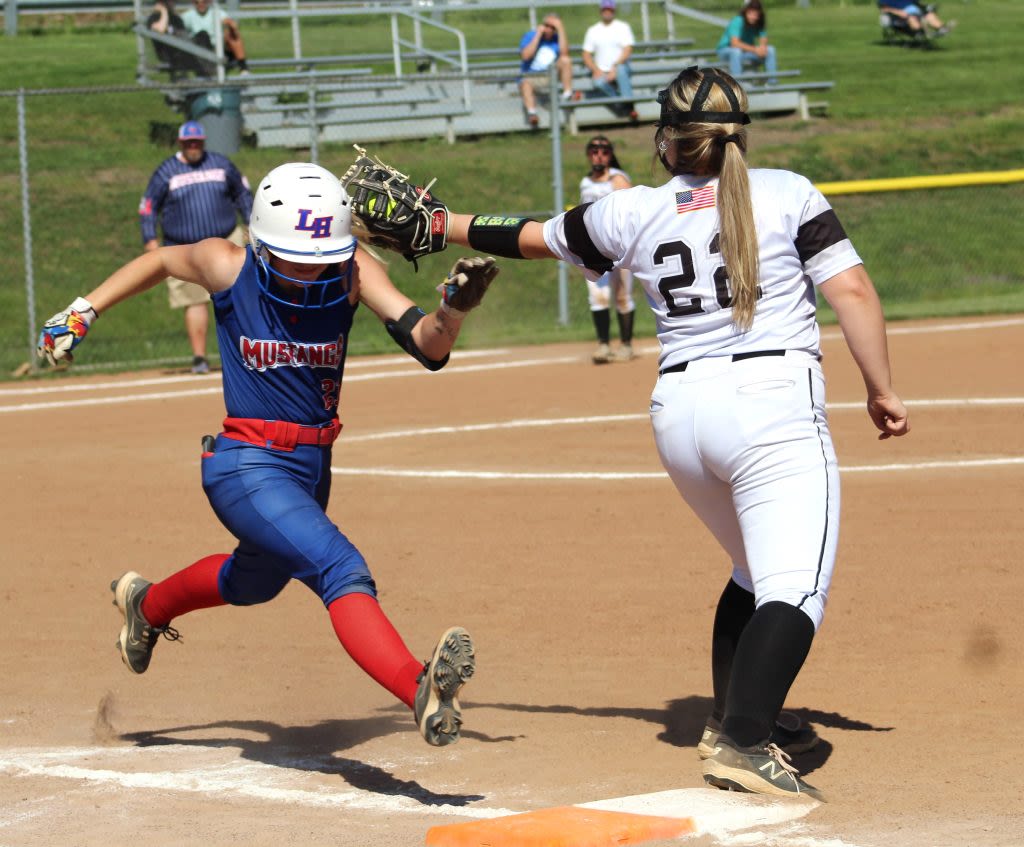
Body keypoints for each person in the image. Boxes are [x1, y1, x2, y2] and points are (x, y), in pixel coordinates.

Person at [437, 65, 910, 798]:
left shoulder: (631, 209)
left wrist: (439, 225)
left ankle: (740, 714)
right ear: (738, 136)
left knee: (754, 573)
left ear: (668, 141)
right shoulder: (786, 192)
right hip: (769, 404)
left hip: (680, 414)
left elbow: (525, 236)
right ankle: (745, 741)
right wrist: (880, 388)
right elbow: (851, 289)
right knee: (796, 586)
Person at [37, 163, 496, 747]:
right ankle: (419, 689)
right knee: (340, 568)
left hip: (310, 470)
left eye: (320, 253)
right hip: (245, 463)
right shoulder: (227, 265)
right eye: (291, 254)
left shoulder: (353, 269)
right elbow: (158, 261)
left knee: (255, 582)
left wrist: (453, 312)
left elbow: (427, 345)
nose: (309, 267)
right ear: (259, 242)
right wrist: (83, 311)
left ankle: (147, 606)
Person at [139, 120, 253, 374]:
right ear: (180, 143)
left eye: (197, 143)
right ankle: (200, 358)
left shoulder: (220, 164)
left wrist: (252, 223)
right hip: (185, 247)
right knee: (195, 302)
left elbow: (243, 194)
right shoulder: (166, 171)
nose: (193, 147)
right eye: (189, 143)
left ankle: (248, 354)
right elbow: (148, 206)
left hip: (227, 240)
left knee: (240, 298)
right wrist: (150, 238)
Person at [578, 136, 636, 363]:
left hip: (618, 249)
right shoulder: (585, 182)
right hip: (593, 250)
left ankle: (626, 345)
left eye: (603, 151)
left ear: (611, 155)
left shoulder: (618, 179)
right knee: (598, 297)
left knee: (622, 296)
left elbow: (631, 210)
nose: (598, 155)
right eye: (593, 150)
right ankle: (603, 345)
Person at [517, 13, 580, 129]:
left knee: (566, 60)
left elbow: (565, 54)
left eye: (553, 27)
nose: (549, 29)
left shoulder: (557, 38)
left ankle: (567, 95)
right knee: (525, 83)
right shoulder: (530, 35)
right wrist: (538, 36)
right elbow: (525, 56)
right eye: (547, 25)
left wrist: (561, 29)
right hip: (531, 76)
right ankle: (532, 114)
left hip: (550, 75)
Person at [582, 0, 637, 122]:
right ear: (601, 11)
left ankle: (628, 105)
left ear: (614, 11)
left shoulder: (623, 27)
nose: (607, 12)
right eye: (605, 9)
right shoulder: (593, 30)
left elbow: (628, 49)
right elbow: (586, 54)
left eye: (610, 10)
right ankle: (626, 105)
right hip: (601, 69)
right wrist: (595, 70)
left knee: (621, 70)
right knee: (598, 82)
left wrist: (615, 67)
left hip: (619, 66)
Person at [716, 0, 777, 85]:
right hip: (726, 51)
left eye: (756, 15)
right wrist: (756, 49)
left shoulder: (758, 22)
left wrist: (762, 48)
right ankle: (738, 85)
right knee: (736, 51)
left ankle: (772, 83)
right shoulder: (737, 20)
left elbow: (763, 38)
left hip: (746, 52)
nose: (753, 17)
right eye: (751, 13)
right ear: (746, 12)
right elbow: (735, 43)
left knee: (770, 50)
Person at [181, 0, 249, 74]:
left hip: (218, 49)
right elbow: (178, 29)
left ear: (208, 2)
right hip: (199, 51)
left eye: (204, 2)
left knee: (232, 35)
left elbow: (228, 21)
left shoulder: (217, 12)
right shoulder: (187, 16)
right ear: (193, 2)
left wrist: (231, 25)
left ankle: (243, 68)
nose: (200, 4)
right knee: (202, 35)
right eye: (197, 2)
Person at [878, 0, 955, 39]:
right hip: (899, 16)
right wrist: (898, 12)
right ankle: (920, 33)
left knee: (929, 15)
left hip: (914, 11)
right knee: (912, 18)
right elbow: (884, 9)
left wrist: (927, 8)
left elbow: (917, 4)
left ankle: (942, 29)